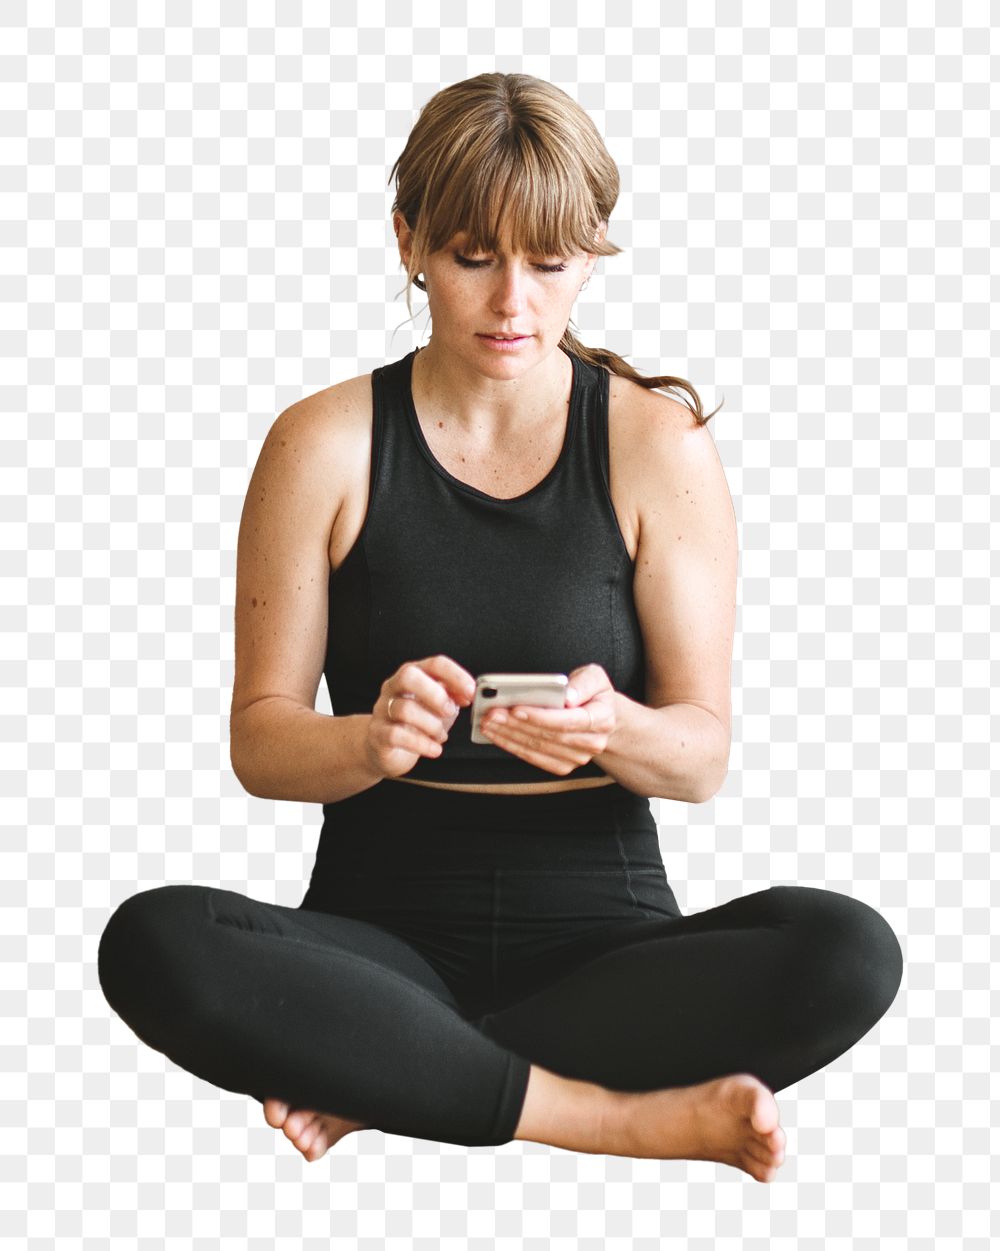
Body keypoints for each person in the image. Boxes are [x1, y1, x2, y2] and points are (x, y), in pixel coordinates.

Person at [97, 72, 903, 1183]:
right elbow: (260, 741)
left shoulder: (654, 445)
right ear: (408, 242)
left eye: (550, 261)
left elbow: (701, 754)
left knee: (849, 951)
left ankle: (397, 1078)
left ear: (591, 253)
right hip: (377, 940)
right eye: (475, 256)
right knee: (151, 941)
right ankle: (608, 1118)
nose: (512, 300)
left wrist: (613, 727)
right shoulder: (320, 442)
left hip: (604, 943)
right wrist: (366, 739)